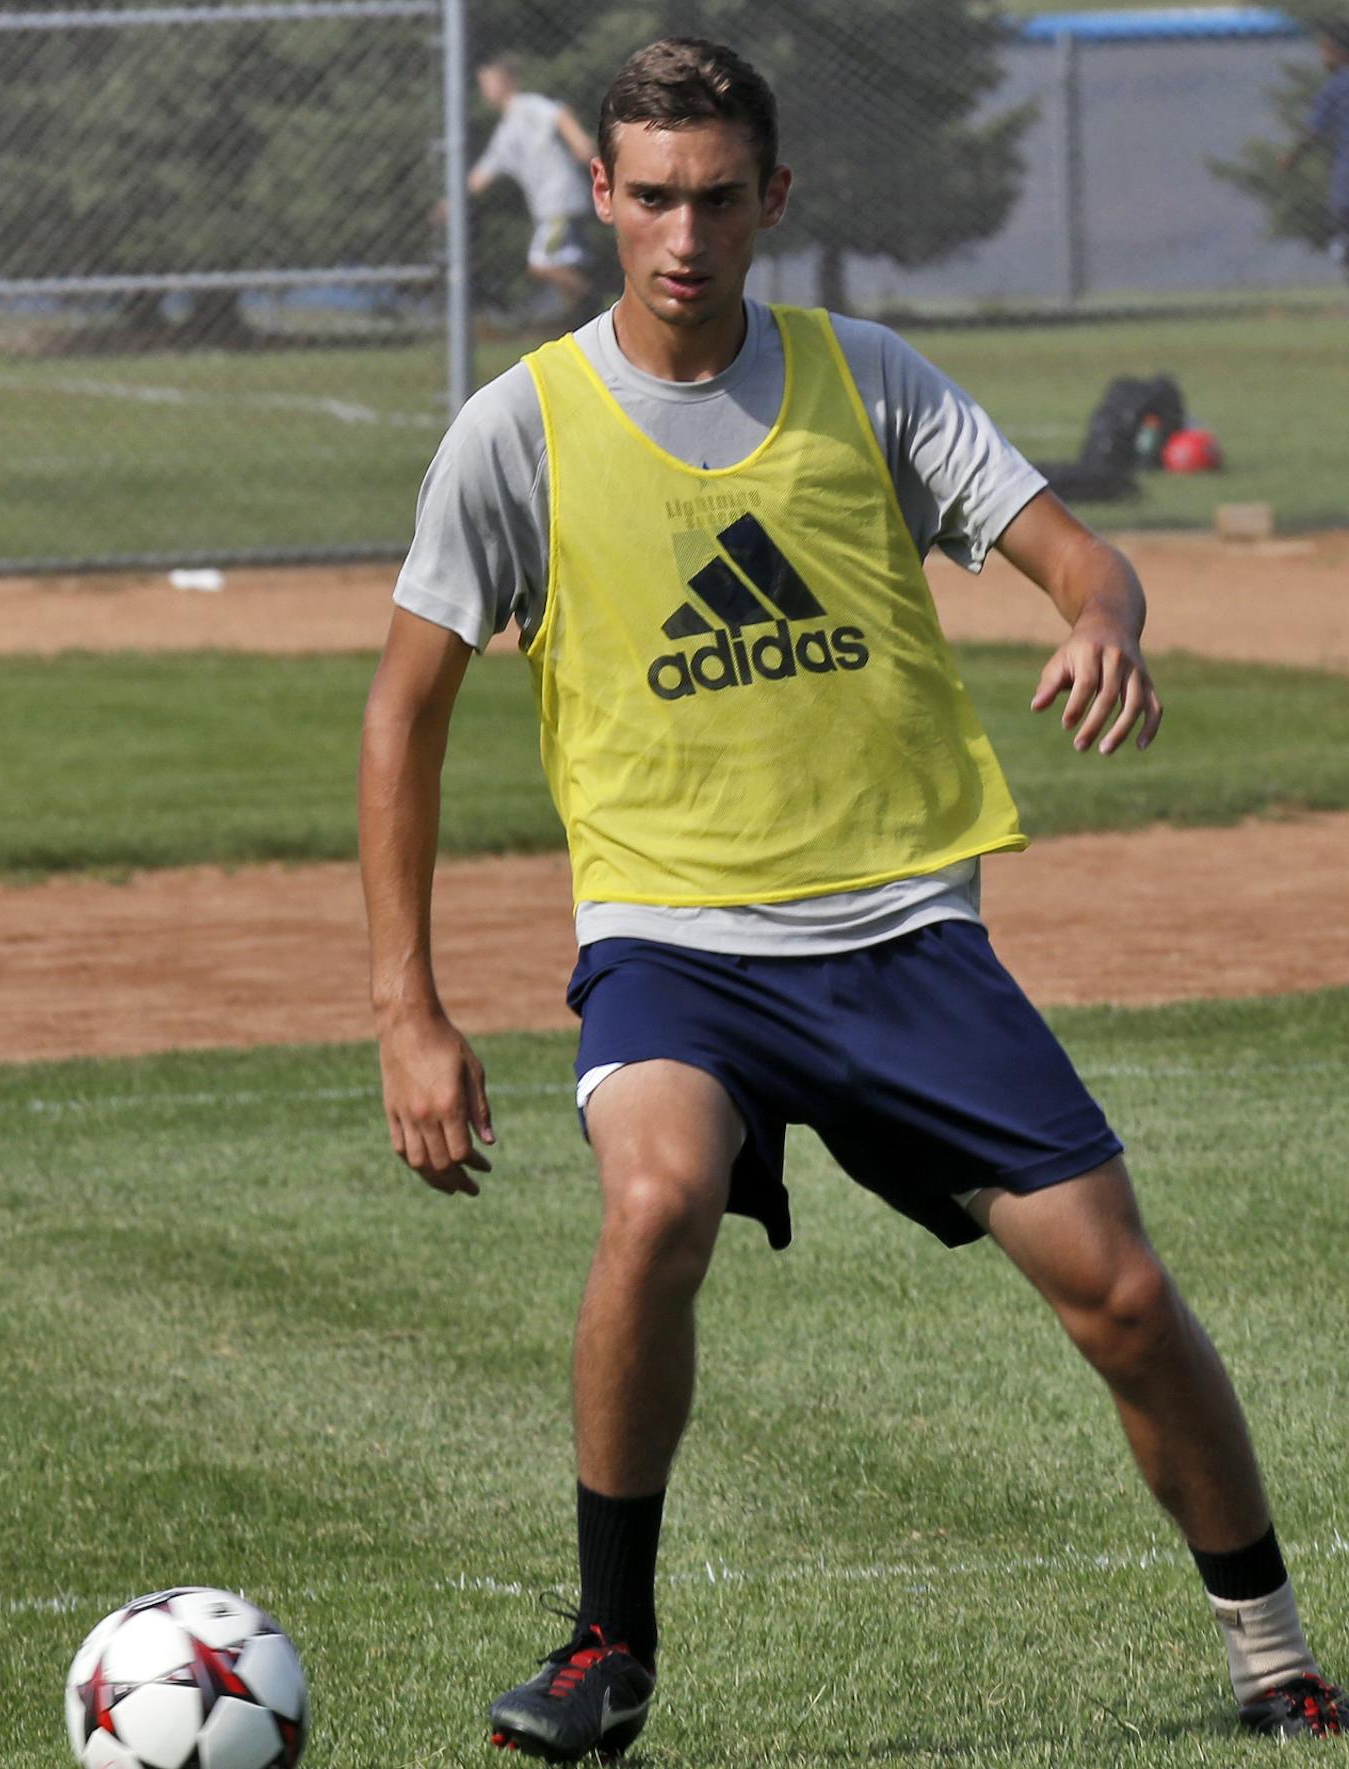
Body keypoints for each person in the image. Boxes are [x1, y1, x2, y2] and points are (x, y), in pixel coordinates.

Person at [360, 36, 1347, 1762]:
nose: (681, 234)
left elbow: (1075, 553)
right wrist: (406, 1008)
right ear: (597, 193)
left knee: (1116, 1291)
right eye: (649, 195)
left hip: (900, 937)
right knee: (654, 1199)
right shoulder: (516, 427)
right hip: (672, 944)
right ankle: (606, 1643)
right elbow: (402, 708)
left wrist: (1100, 618)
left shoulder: (864, 377)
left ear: (772, 200)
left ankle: (1271, 1656)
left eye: (716, 198)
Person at [466, 56, 598, 316]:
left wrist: (580, 142)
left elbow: (559, 114)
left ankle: (595, 302)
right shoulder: (504, 132)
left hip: (561, 198)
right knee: (565, 270)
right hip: (548, 207)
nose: (485, 89)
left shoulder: (526, 105)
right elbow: (482, 174)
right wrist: (450, 204)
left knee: (541, 265)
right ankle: (583, 322)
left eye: (489, 81)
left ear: (507, 82)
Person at [1279, 23, 1349, 277]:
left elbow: (1311, 132)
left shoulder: (1333, 89)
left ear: (1341, 53)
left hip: (1346, 186)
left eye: (1325, 51)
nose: (1322, 58)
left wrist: (1291, 158)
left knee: (1342, 243)